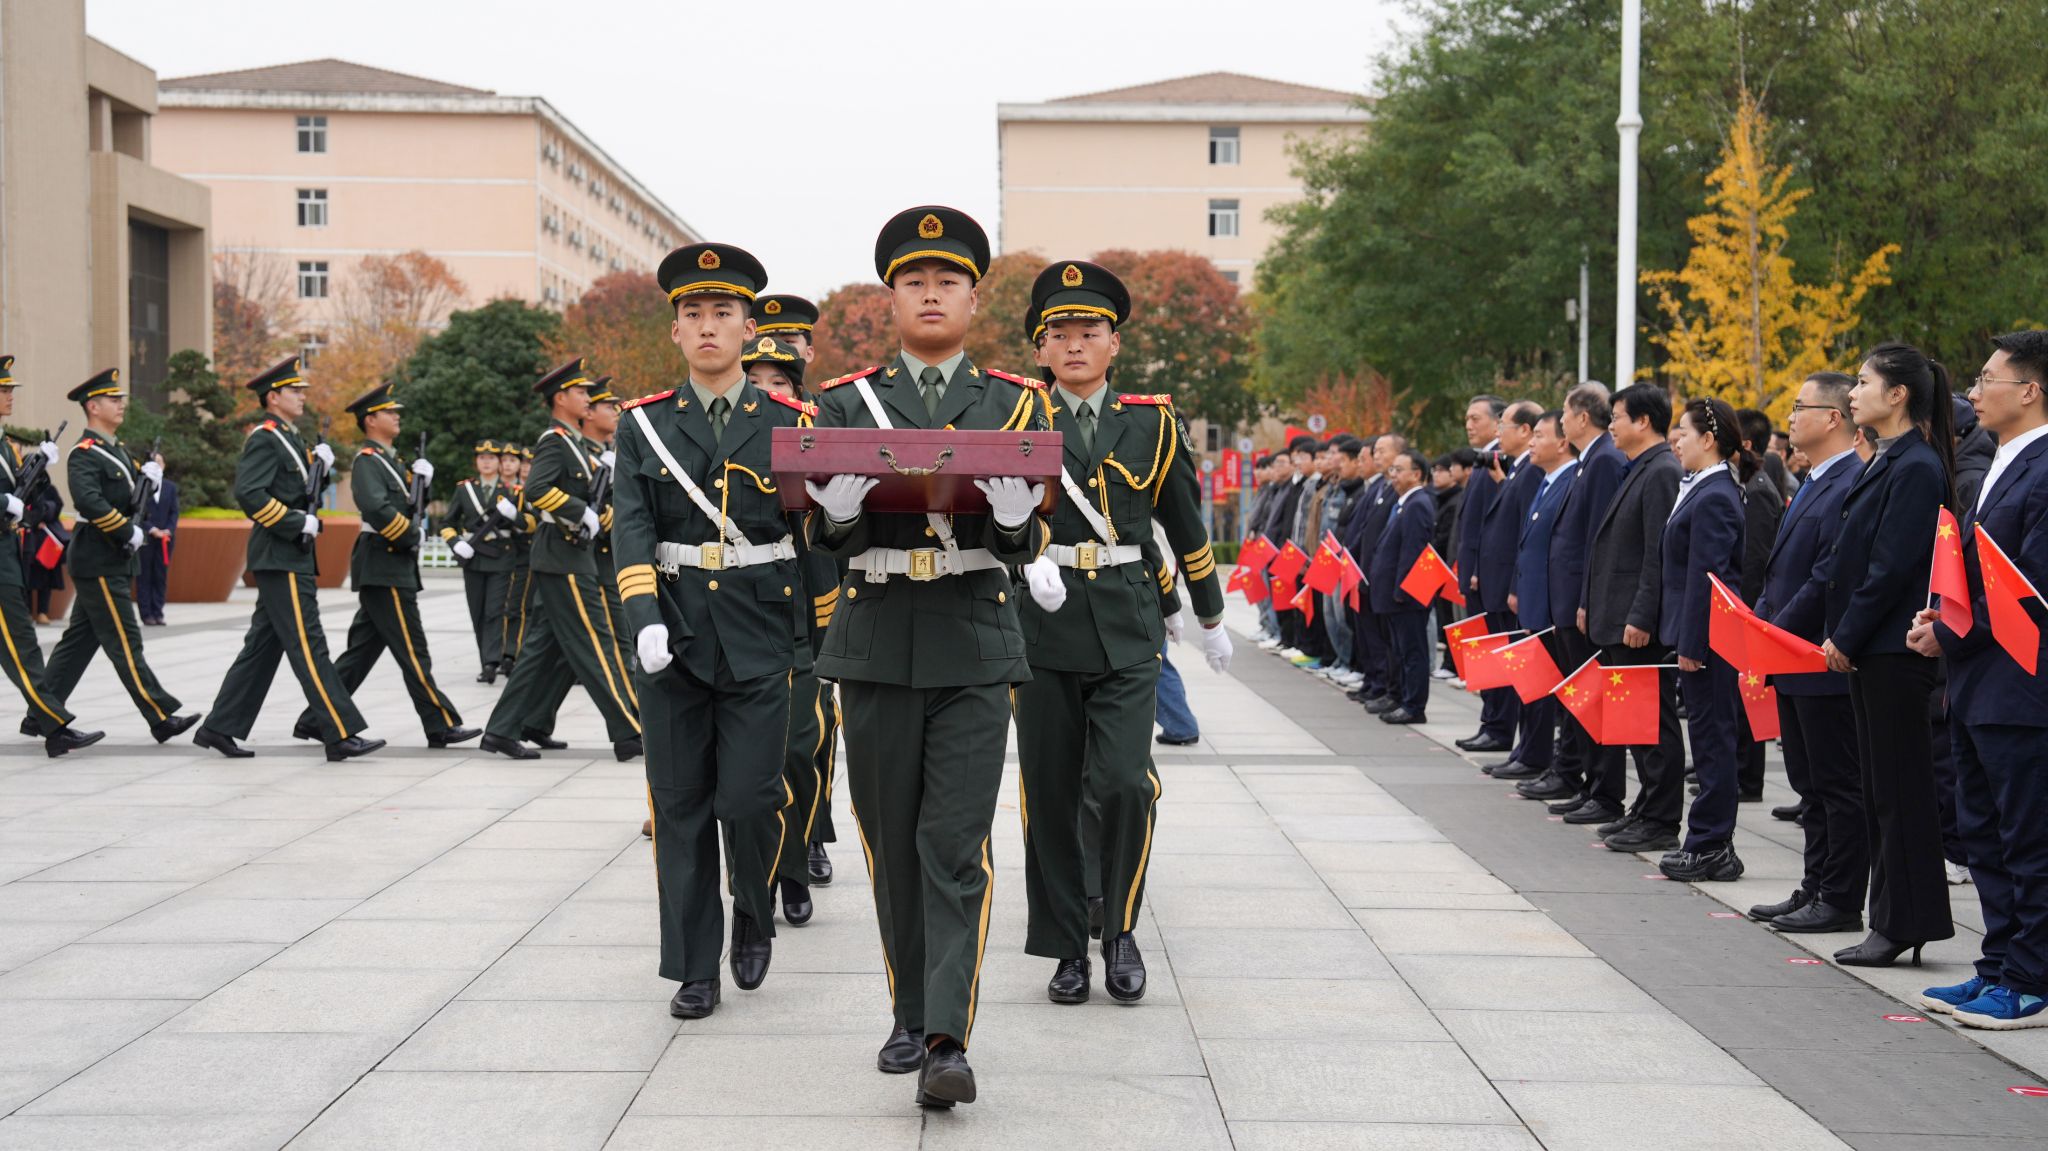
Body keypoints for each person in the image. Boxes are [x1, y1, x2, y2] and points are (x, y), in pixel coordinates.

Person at [804, 205, 1050, 1107]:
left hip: (974, 641)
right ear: (892, 300)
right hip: (875, 642)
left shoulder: (1017, 401)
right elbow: (819, 530)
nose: (932, 294)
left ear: (974, 300)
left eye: (949, 281)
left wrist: (1019, 525)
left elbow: (1032, 530)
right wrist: (835, 516)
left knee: (953, 844)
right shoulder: (844, 402)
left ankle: (947, 1036)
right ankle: (908, 1012)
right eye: (915, 281)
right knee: (892, 844)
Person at [1012, 258, 1229, 1009]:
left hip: (1129, 625)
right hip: (1042, 626)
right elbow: (988, 517)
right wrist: (1023, 558)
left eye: (1090, 331)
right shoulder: (1016, 418)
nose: (1075, 344)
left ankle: (1121, 927)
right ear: (1041, 347)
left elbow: (1184, 522)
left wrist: (1210, 614)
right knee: (1050, 790)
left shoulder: (1153, 422)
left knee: (1124, 782)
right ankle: (1066, 945)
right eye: (1061, 333)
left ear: (1114, 344)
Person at [613, 243, 809, 1020]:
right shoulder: (644, 425)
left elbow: (812, 534)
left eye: (722, 312)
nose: (706, 326)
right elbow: (631, 525)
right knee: (680, 803)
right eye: (692, 313)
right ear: (675, 330)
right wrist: (643, 617)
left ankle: (752, 908)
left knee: (752, 797)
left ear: (748, 328)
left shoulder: (789, 421)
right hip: (675, 633)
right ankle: (695, 965)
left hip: (761, 631)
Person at [1914, 329, 2048, 1029]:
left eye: (1987, 378)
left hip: (2020, 687)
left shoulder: (2045, 468)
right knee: (1985, 832)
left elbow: (2029, 586)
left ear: (2029, 390)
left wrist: (1951, 630)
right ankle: (1998, 964)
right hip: (1976, 683)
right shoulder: (2000, 460)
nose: (1973, 392)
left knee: (2027, 837)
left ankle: (2031, 978)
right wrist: (1944, 614)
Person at [1820, 341, 1956, 967]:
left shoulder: (1916, 466)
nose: (1853, 393)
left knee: (1900, 791)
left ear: (1897, 394)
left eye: (1863, 382)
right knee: (1883, 788)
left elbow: (1890, 566)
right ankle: (1895, 918)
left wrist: (1846, 635)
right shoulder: (1891, 458)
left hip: (1892, 650)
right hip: (1874, 648)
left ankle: (1904, 922)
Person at [194, 358, 381, 760]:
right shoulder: (265, 438)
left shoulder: (290, 438)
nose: (302, 396)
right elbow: (249, 493)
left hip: (289, 554)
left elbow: (296, 489)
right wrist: (296, 522)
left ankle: (218, 727)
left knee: (262, 647)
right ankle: (339, 731)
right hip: (280, 554)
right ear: (273, 397)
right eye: (294, 391)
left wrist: (320, 469)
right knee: (309, 644)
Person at [290, 381, 480, 749]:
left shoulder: (392, 462)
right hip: (384, 561)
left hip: (390, 564)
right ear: (371, 420)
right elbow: (375, 507)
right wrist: (410, 534)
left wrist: (422, 485)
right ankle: (440, 723)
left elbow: (408, 505)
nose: (396, 417)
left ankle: (315, 719)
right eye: (389, 412)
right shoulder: (368, 461)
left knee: (360, 654)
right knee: (413, 648)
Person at [1748, 371, 1867, 933]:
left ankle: (1840, 899)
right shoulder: (1818, 478)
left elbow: (1826, 575)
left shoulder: (1851, 481)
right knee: (1809, 785)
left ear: (1834, 418)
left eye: (1801, 407)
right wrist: (1759, 623)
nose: (1791, 417)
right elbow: (1783, 571)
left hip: (1819, 658)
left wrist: (1772, 631)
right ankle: (1815, 885)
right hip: (1792, 657)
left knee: (1837, 786)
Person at [479, 360, 642, 762]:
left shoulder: (573, 442)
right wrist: (578, 511)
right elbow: (536, 489)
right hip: (563, 554)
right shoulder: (554, 440)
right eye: (580, 392)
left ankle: (504, 729)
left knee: (541, 649)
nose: (587, 398)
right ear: (560, 398)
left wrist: (592, 512)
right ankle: (629, 730)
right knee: (596, 641)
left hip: (569, 553)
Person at [42, 369, 200, 745]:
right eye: (113, 400)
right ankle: (160, 716)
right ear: (93, 407)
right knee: (126, 641)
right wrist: (126, 530)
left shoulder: (117, 450)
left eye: (120, 399)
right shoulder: (85, 453)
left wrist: (148, 481)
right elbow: (89, 501)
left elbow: (129, 499)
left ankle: (40, 712)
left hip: (112, 558)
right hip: (98, 557)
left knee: (79, 641)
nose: (121, 405)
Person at [735, 336, 833, 924]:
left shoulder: (810, 439)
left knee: (799, 749)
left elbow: (824, 545)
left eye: (780, 383)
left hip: (797, 620)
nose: (768, 393)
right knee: (751, 769)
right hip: (738, 624)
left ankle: (795, 864)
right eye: (756, 383)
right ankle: (761, 880)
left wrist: (828, 629)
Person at [1565, 384, 1685, 844]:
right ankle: (1645, 808)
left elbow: (1658, 553)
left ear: (1643, 421)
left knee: (1653, 723)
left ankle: (1661, 820)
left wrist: (1641, 616)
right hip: (1616, 617)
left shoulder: (1661, 472)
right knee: (1635, 723)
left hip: (1635, 624)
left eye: (1617, 417)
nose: (1611, 425)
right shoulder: (1640, 468)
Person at [753, 293, 840, 883]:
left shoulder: (822, 419)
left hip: (813, 590)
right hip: (751, 595)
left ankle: (812, 832)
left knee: (815, 727)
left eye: (790, 346)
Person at [1657, 398, 1748, 881]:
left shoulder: (1714, 494)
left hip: (1710, 639)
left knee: (1713, 742)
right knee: (1709, 738)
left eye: (1685, 432)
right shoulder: (1704, 487)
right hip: (1699, 635)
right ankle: (1709, 840)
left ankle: (1711, 844)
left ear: (1709, 439)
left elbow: (1707, 578)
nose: (1677, 440)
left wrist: (1692, 643)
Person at [1527, 383, 1623, 808]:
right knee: (1579, 699)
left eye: (1565, 413)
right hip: (1567, 600)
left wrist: (1587, 599)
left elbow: (1596, 539)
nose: (1561, 420)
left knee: (1593, 700)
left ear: (1583, 417)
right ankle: (1586, 783)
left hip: (1581, 602)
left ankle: (1604, 791)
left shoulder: (1603, 461)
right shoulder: (1589, 460)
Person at [0, 358, 100, 756]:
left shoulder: (5, 444)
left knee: (20, 645)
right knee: (21, 645)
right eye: (3, 390)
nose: (9, 396)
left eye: (10, 390)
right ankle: (54, 725)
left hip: (8, 555)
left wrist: (38, 468)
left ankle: (49, 723)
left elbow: (22, 495)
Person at [1503, 410, 1578, 782]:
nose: (1531, 443)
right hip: (1532, 599)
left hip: (1551, 604)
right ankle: (1529, 751)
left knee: (1550, 689)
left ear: (1562, 442)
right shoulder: (1548, 481)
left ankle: (1546, 759)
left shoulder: (1569, 482)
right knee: (1531, 683)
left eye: (1539, 436)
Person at [1477, 401, 1546, 778]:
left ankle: (1531, 751)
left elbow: (1526, 534)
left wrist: (1515, 584)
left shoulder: (1532, 471)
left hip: (1515, 588)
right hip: (1505, 585)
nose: (1497, 433)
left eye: (1503, 425)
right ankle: (1523, 747)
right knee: (1516, 674)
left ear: (1524, 430)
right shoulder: (1517, 469)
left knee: (1527, 676)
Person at [1454, 395, 1512, 753]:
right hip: (1477, 573)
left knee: (1495, 652)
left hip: (1488, 575)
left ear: (1498, 422)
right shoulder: (1483, 460)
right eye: (1467, 418)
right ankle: (1490, 721)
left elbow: (1495, 525)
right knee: (1484, 653)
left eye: (1476, 418)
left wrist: (1476, 569)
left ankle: (1499, 727)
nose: (1469, 424)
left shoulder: (1499, 461)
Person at [1370, 448, 1436, 723]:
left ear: (1416, 474)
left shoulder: (1418, 503)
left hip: (1407, 596)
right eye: (1392, 470)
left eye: (1399, 470)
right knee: (1400, 651)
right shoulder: (1404, 503)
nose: (1393, 475)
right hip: (1394, 594)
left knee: (1412, 652)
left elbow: (1413, 551)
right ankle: (1402, 698)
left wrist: (1402, 590)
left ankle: (1414, 706)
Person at [442, 438, 516, 682]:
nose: (486, 462)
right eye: (482, 458)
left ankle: (491, 662)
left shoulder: (510, 490)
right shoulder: (464, 489)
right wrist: (456, 543)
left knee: (495, 610)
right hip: (473, 557)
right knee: (477, 611)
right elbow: (447, 523)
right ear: (476, 462)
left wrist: (514, 515)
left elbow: (524, 523)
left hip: (501, 556)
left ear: (499, 462)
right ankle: (485, 658)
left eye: (491, 458)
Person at [1429, 449, 1470, 678]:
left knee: (1458, 619)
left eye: (1442, 470)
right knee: (1449, 618)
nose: (1437, 474)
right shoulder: (1441, 498)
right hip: (1445, 567)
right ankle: (1452, 663)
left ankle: (1456, 666)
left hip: (1452, 568)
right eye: (1434, 470)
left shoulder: (1457, 499)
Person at [498, 442, 533, 675]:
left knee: (522, 607)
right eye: (525, 463)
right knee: (509, 607)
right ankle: (507, 652)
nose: (526, 467)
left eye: (531, 463)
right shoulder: (510, 490)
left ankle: (516, 652)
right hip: (508, 555)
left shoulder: (531, 491)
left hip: (528, 554)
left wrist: (517, 517)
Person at [137, 450, 177, 626]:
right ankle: (146, 613)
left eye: (160, 462)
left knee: (160, 576)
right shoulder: (142, 485)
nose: (157, 465)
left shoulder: (170, 487)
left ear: (164, 465)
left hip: (165, 539)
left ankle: (158, 612)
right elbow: (139, 511)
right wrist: (152, 529)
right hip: (147, 537)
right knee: (144, 575)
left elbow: (174, 511)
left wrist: (168, 529)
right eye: (153, 462)